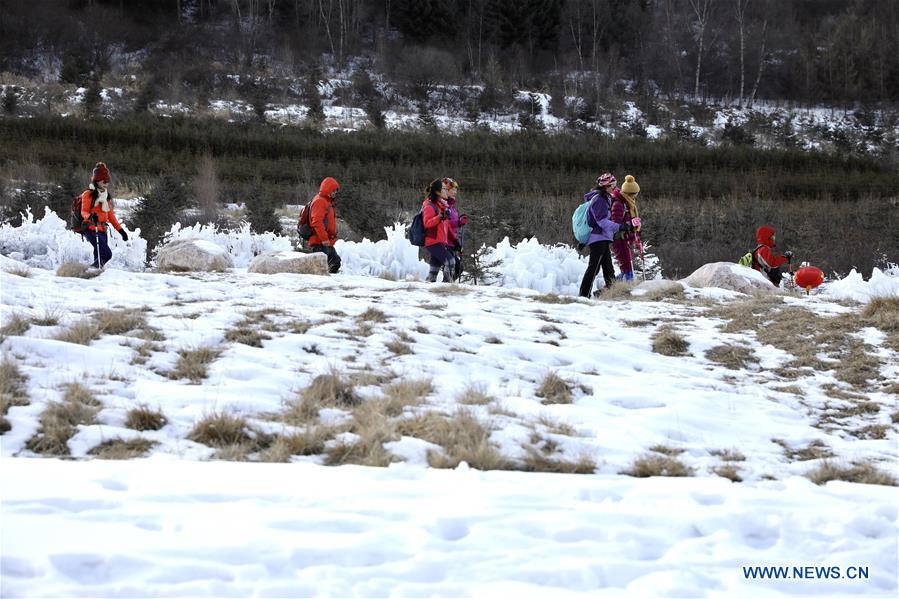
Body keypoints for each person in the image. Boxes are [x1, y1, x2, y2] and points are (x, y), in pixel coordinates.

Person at [578, 172, 634, 298]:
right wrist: (620, 226)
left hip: (603, 238)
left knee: (608, 268)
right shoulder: (600, 200)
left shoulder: (605, 197)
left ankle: (612, 293)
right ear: (606, 186)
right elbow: (602, 222)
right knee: (594, 268)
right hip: (598, 238)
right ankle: (583, 296)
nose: (615, 187)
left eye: (615, 184)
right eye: (612, 185)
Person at [81, 162, 128, 269]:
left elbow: (110, 215)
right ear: (97, 180)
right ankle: (88, 270)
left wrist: (121, 231)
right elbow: (83, 212)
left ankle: (93, 278)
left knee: (99, 256)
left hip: (103, 230)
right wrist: (90, 217)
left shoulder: (106, 196)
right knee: (107, 254)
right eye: (104, 181)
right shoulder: (88, 194)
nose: (106, 183)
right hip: (91, 228)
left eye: (108, 181)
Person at [610, 174, 643, 281]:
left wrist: (637, 241)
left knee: (626, 268)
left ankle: (612, 288)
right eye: (635, 194)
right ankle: (608, 290)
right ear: (629, 193)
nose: (635, 197)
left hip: (624, 239)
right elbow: (615, 225)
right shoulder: (619, 204)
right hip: (619, 240)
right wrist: (631, 224)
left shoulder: (627, 204)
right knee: (626, 268)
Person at [422, 178, 455, 283]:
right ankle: (446, 287)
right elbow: (426, 223)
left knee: (434, 269)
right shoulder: (430, 206)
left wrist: (455, 241)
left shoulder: (441, 206)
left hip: (440, 241)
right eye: (444, 189)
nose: (447, 191)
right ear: (437, 192)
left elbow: (446, 227)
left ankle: (427, 287)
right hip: (433, 242)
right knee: (450, 261)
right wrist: (439, 217)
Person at [307, 177, 342, 273]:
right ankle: (320, 287)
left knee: (335, 263)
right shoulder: (320, 201)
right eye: (333, 191)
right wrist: (324, 239)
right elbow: (317, 222)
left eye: (336, 191)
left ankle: (330, 285)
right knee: (321, 271)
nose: (335, 193)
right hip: (320, 242)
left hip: (325, 242)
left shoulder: (326, 201)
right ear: (328, 189)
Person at [442, 177, 468, 282]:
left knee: (458, 268)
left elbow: (453, 225)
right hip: (444, 242)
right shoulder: (443, 205)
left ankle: (445, 288)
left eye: (456, 190)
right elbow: (445, 223)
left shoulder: (451, 207)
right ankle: (444, 288)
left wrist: (460, 220)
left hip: (452, 242)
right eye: (453, 190)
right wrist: (458, 222)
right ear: (446, 190)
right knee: (454, 267)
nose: (455, 192)